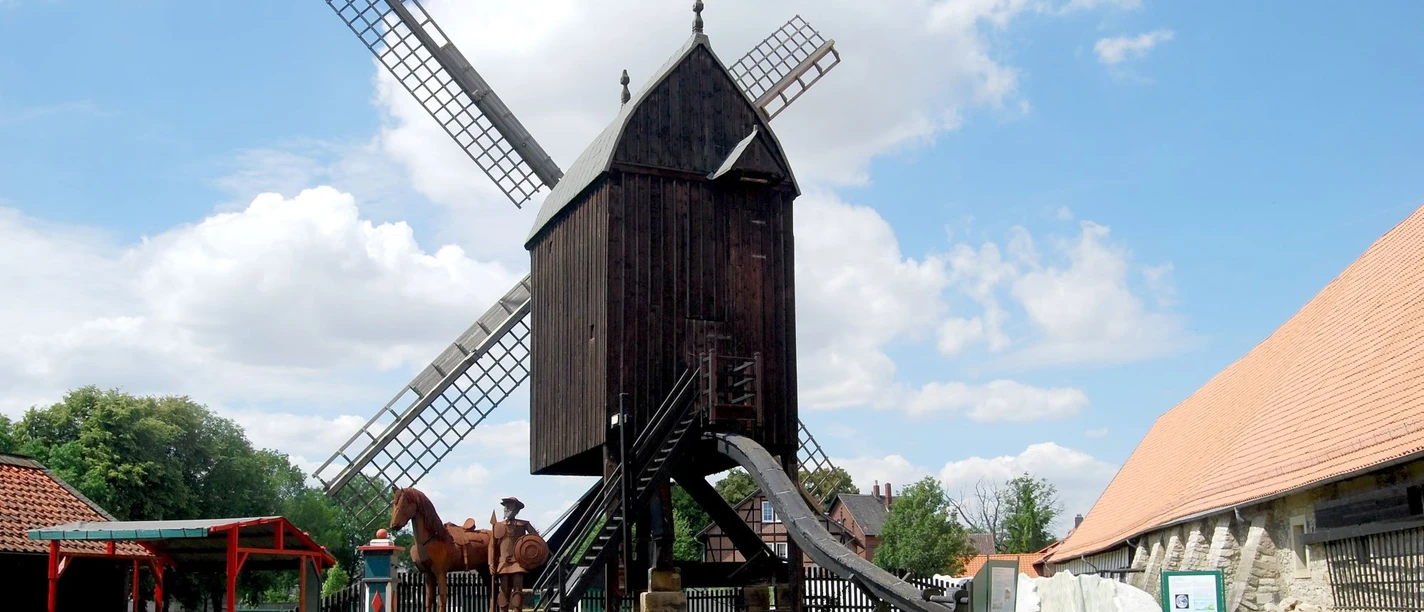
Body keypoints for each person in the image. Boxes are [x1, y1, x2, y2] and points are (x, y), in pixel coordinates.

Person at [491, 497, 540, 612]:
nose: (507, 507)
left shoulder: (523, 524)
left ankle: (517, 610)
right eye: (506, 505)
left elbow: (536, 539)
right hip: (503, 563)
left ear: (516, 509)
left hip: (518, 562)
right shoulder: (498, 526)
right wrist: (490, 564)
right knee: (504, 590)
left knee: (517, 589)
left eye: (510, 505)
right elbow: (492, 546)